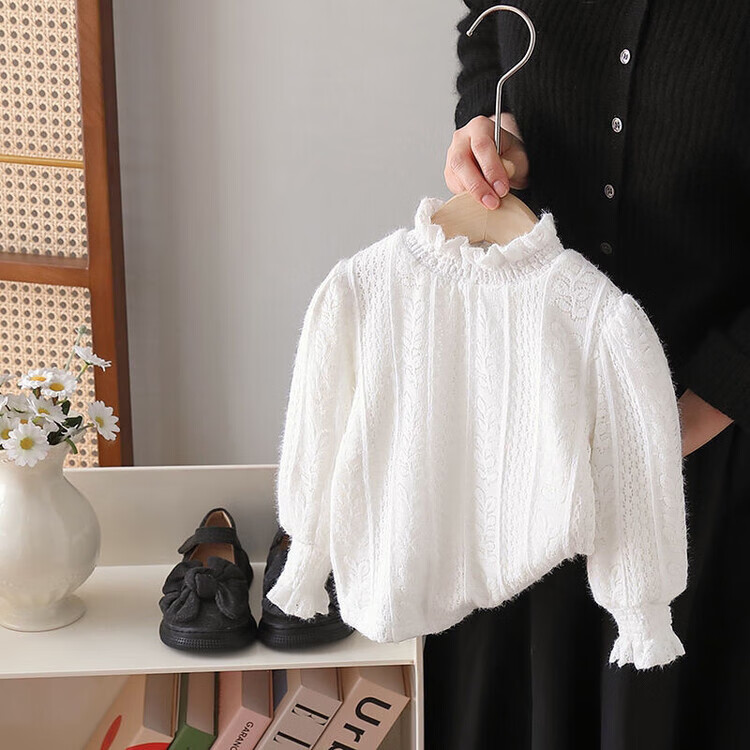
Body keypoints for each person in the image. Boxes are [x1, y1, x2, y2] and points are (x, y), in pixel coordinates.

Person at [423, 2, 750, 748]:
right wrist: (492, 125)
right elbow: (485, 28)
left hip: (711, 436)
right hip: (520, 421)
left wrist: (671, 429)